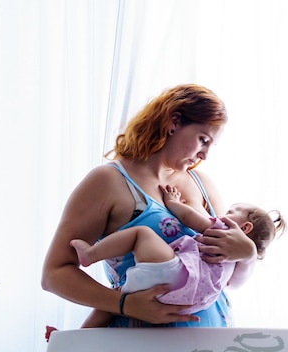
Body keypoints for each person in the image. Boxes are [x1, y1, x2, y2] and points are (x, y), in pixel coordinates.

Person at [41, 83, 259, 327]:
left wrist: (248, 255)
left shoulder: (203, 185)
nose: (204, 155)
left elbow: (226, 279)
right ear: (173, 123)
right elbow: (54, 274)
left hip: (213, 336)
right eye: (203, 140)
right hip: (139, 338)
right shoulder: (108, 182)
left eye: (210, 146)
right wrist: (124, 304)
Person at [70, 184, 287, 328]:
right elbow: (234, 284)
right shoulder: (234, 260)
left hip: (178, 277)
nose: (223, 215)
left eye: (231, 212)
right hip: (192, 302)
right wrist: (247, 257)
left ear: (245, 227)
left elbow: (191, 218)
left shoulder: (225, 230)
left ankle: (90, 254)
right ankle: (74, 341)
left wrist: (173, 203)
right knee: (115, 299)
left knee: (141, 234)